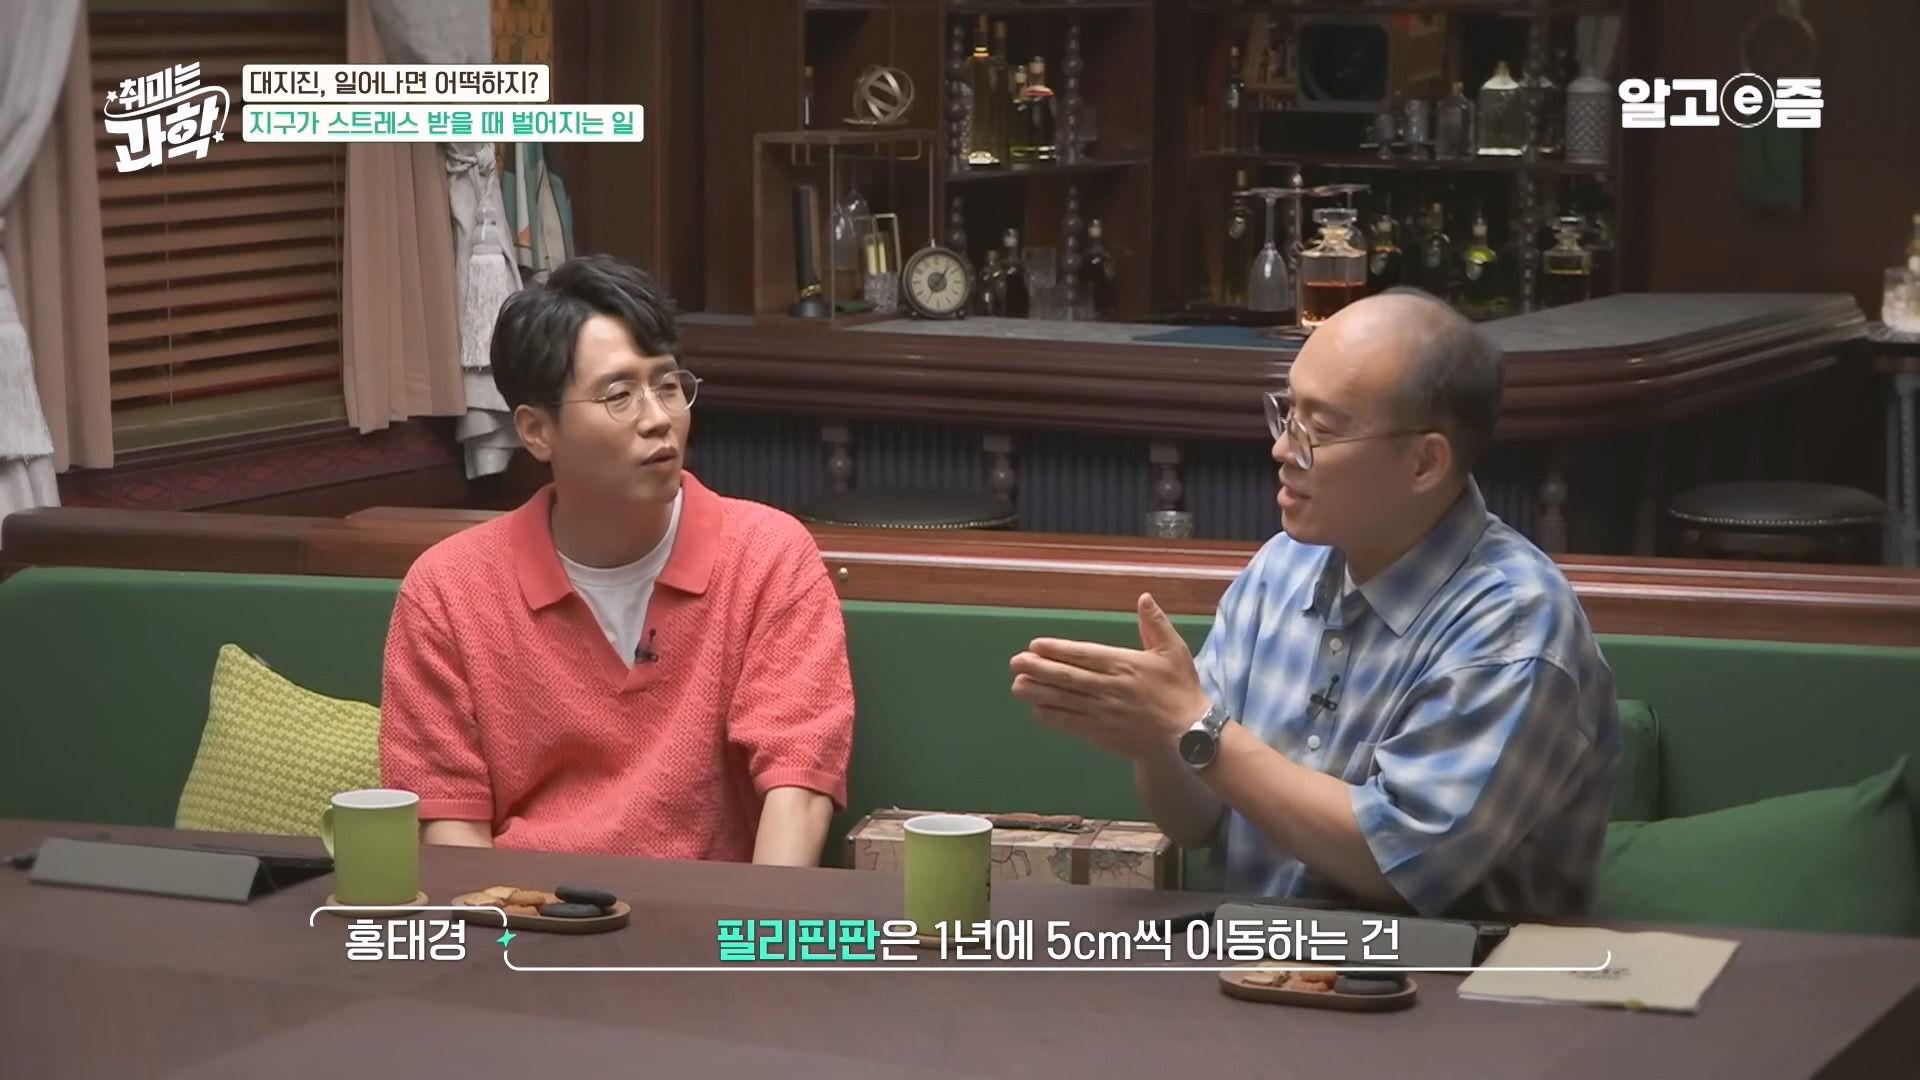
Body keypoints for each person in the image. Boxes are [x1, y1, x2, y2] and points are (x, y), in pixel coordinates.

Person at [1009, 289, 1620, 919]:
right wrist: (1155, 739)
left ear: (1424, 462)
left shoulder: (1513, 627)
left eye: (1319, 430)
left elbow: (1396, 862)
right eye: (1287, 413)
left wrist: (1193, 727)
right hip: (1246, 956)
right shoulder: (1282, 567)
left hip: (1441, 973)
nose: (1282, 449)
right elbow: (1196, 821)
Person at [380, 255, 854, 866]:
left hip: (712, 918)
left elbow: (799, 791)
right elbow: (449, 830)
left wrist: (758, 926)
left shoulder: (768, 556)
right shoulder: (448, 589)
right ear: (536, 431)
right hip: (526, 914)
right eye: (620, 395)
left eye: (668, 386)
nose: (658, 419)